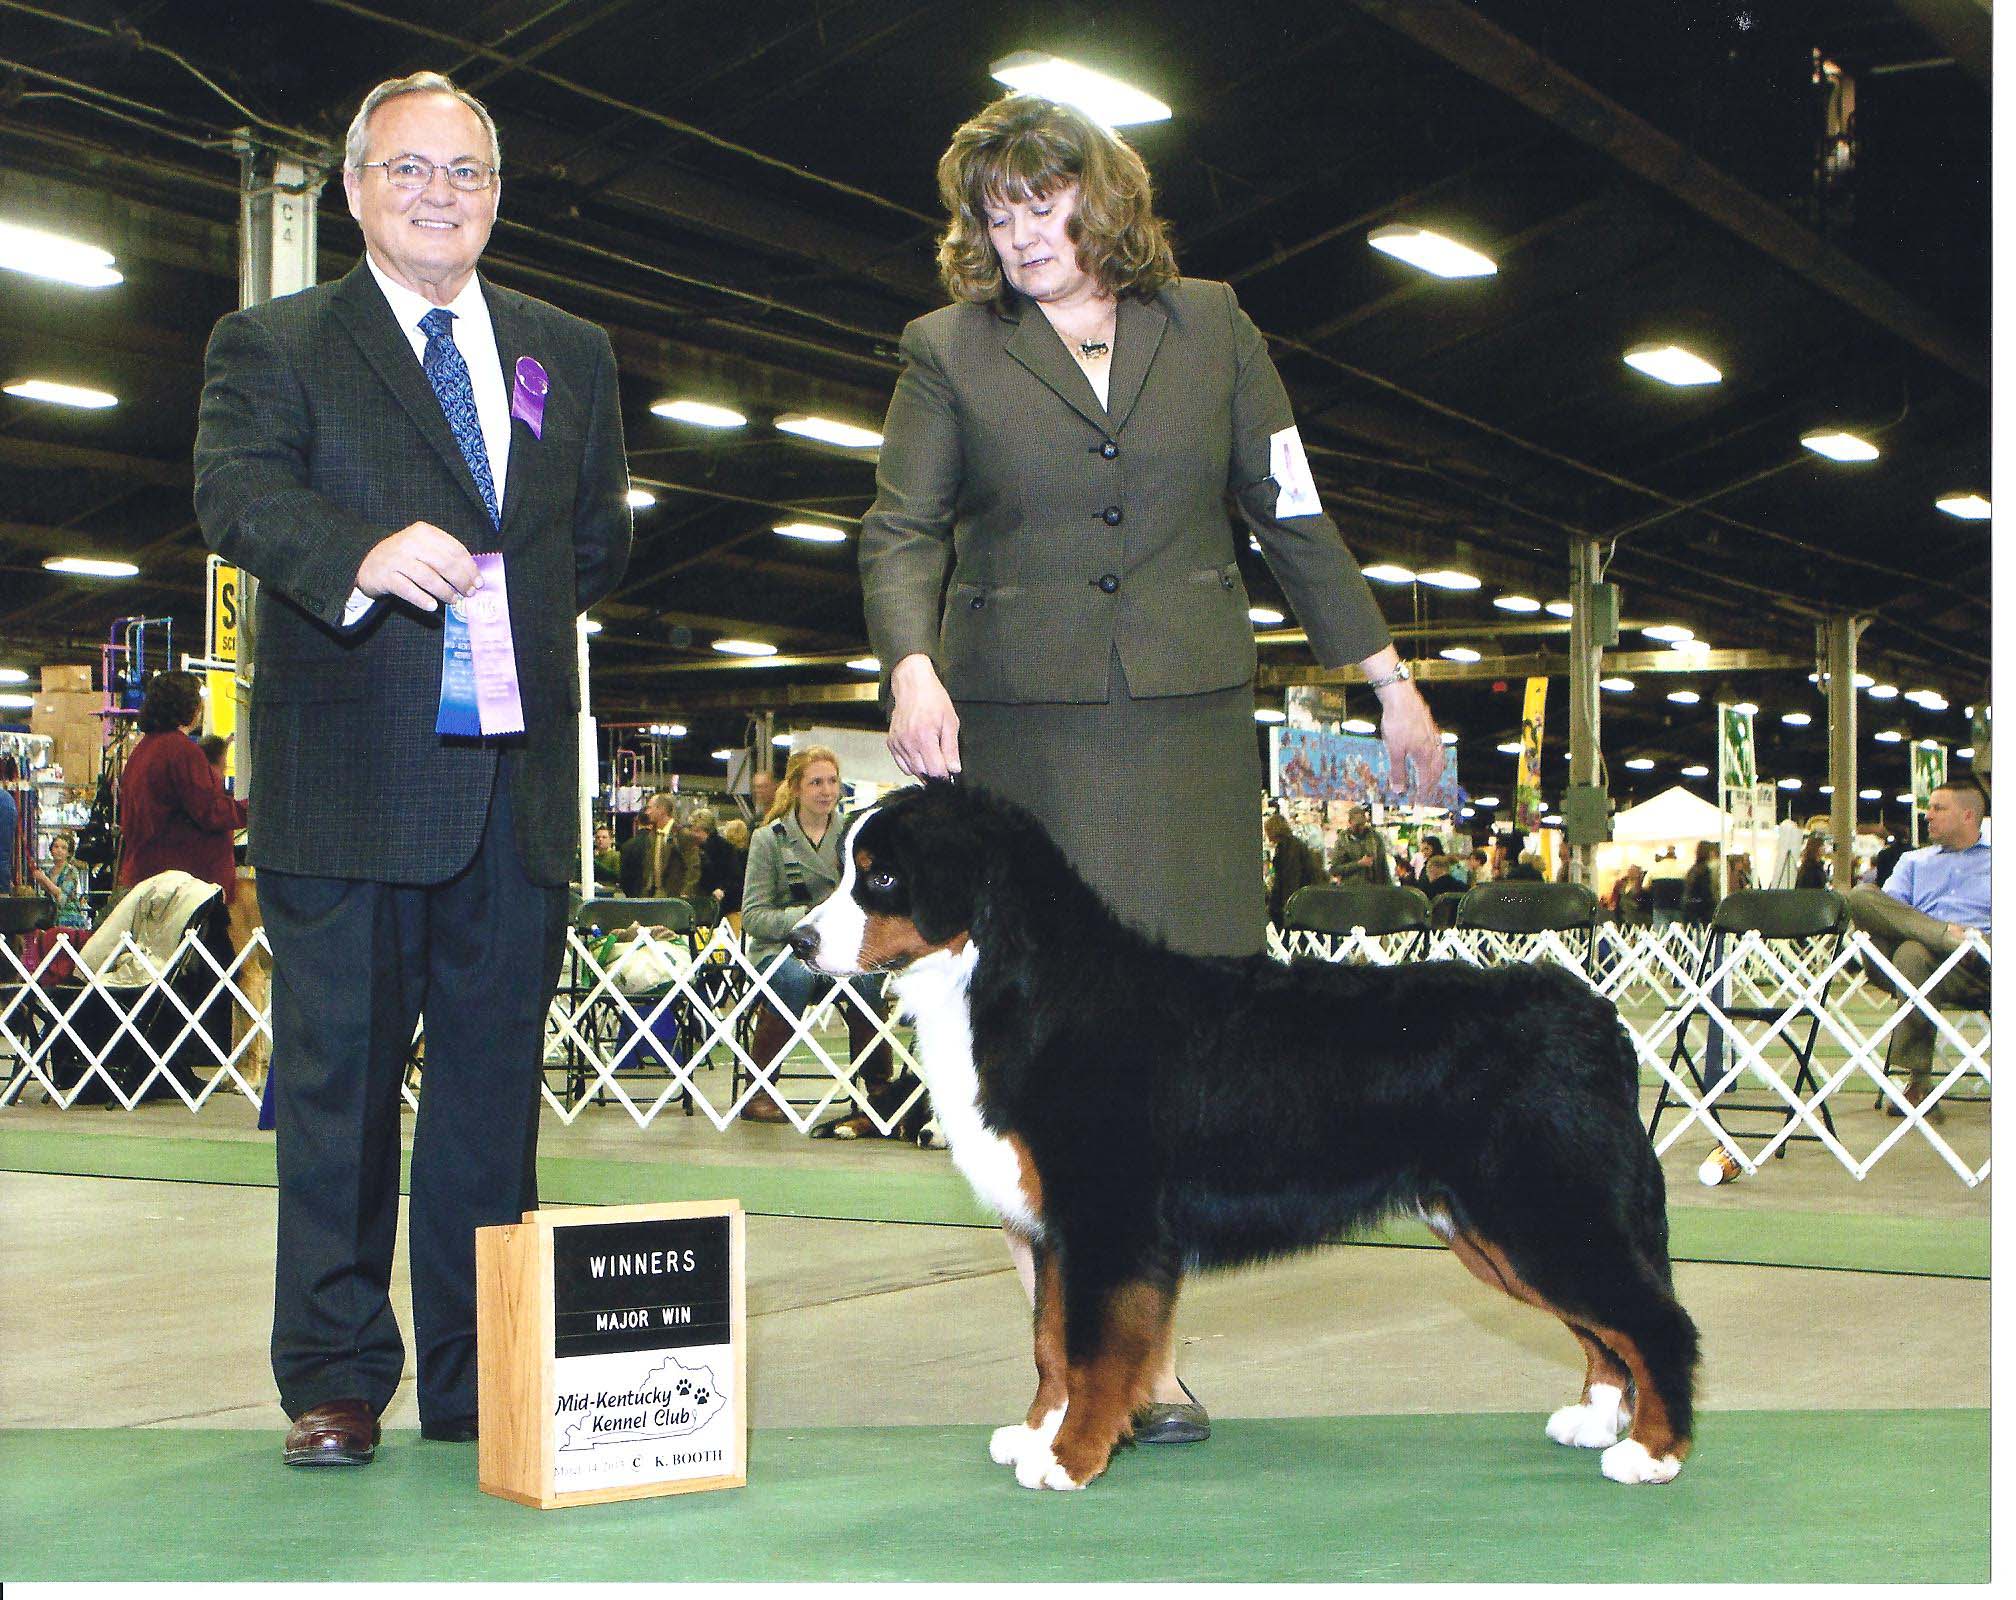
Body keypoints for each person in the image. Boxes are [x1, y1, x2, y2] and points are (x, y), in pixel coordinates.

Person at [858, 93, 1443, 1447]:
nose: (1016, 235)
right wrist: (910, 663)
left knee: (1179, 1061)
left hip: (1184, 726)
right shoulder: (947, 349)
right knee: (1046, 1059)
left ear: (1101, 202)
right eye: (993, 214)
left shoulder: (1216, 326)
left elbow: (1291, 513)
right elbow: (901, 528)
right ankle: (1069, 1368)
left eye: (1040, 206)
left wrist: (1387, 678)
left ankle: (1150, 1364)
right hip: (1028, 730)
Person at [192, 70, 632, 1469]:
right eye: (410, 170)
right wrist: (360, 560)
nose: (439, 194)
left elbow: (599, 540)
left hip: (518, 789)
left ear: (496, 195)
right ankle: (333, 1375)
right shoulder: (277, 342)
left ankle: (481, 1373)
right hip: (350, 782)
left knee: (493, 1111)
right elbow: (237, 493)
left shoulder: (570, 348)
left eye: (466, 172)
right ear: (355, 188)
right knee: (337, 1094)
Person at [739, 747, 896, 1135]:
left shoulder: (853, 835)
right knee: (794, 977)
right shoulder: (768, 840)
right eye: (815, 782)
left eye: (831, 781)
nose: (827, 791)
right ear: (795, 788)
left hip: (838, 949)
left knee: (868, 978)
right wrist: (807, 919)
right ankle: (759, 1089)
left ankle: (879, 1087)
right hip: (781, 950)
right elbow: (755, 916)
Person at [1846, 780, 1991, 1115]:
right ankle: (1944, 935)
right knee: (1862, 898)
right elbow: (1890, 914)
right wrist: (1944, 934)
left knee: (1913, 953)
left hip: (1979, 966)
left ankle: (1916, 1083)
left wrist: (1977, 942)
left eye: (1939, 808)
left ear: (1968, 815)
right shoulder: (1913, 861)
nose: (1928, 815)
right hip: (1921, 959)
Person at [117, 670, 249, 900]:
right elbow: (210, 811)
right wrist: (255, 810)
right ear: (189, 705)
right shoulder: (181, 751)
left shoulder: (142, 751)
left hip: (146, 875)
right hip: (184, 885)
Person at [619, 792, 693, 900]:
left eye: (650, 808)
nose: (647, 812)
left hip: (675, 900)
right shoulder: (652, 836)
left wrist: (685, 893)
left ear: (662, 810)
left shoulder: (682, 835)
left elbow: (693, 867)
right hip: (653, 898)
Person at [1264, 813, 1322, 930]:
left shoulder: (1289, 848)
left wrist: (1288, 905)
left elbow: (1291, 878)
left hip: (1295, 901)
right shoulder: (1291, 844)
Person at [689, 809, 739, 926]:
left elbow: (734, 876)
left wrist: (722, 889)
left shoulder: (725, 848)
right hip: (699, 901)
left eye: (697, 831)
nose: (693, 834)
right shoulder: (691, 848)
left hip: (720, 906)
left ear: (707, 831)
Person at [1329, 805, 1393, 886]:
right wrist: (1358, 864)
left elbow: (1384, 867)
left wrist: (1389, 889)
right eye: (1357, 825)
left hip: (1374, 889)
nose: (1360, 828)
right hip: (1351, 889)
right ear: (1350, 822)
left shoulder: (1375, 838)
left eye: (1362, 824)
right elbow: (1334, 870)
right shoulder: (1343, 840)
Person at [1644, 846, 1686, 928]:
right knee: (1679, 933)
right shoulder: (1683, 867)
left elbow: (1645, 886)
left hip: (1660, 905)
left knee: (1662, 933)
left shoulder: (1654, 868)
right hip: (1678, 906)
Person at [1681, 840, 1719, 923]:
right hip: (1702, 910)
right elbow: (1706, 891)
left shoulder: (1693, 869)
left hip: (1690, 908)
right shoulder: (1705, 870)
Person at [591, 823, 620, 891]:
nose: (600, 839)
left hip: (610, 892)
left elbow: (617, 877)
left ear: (611, 840)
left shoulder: (615, 856)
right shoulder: (594, 857)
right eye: (598, 837)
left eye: (604, 837)